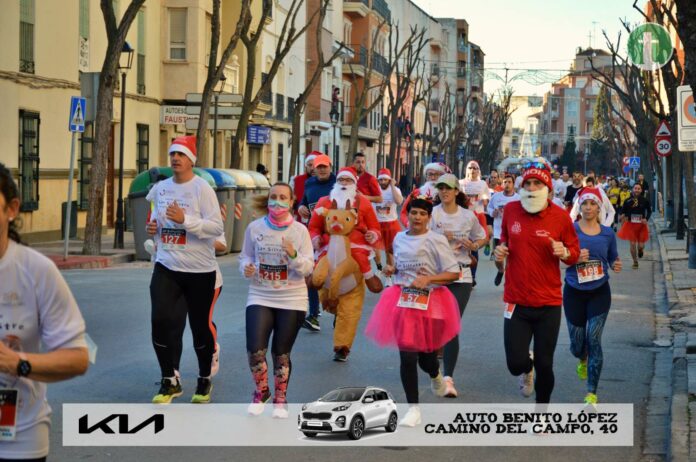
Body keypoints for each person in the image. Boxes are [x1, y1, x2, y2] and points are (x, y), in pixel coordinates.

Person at [0, 163, 89, 461]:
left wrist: (18, 363)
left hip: (18, 437)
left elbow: (78, 358)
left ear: (11, 209)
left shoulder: (36, 271)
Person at [365, 195, 460, 426]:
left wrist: (428, 279)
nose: (417, 217)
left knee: (426, 359)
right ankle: (413, 409)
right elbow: (400, 266)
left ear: (428, 218)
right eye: (413, 213)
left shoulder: (435, 240)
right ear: (406, 215)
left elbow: (454, 273)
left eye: (422, 214)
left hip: (432, 301)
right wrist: (392, 269)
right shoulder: (399, 238)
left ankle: (435, 374)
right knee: (407, 356)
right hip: (403, 300)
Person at [146, 135, 224, 404]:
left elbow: (216, 228)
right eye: (173, 154)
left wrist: (185, 220)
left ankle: (204, 378)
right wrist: (153, 228)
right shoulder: (160, 188)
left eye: (181, 154)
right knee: (160, 321)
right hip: (167, 265)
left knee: (199, 328)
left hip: (200, 270)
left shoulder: (202, 189)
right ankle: (169, 380)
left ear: (191, 160)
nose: (175, 158)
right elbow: (155, 220)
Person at [494, 160, 580, 403]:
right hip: (516, 301)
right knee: (514, 363)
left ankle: (541, 413)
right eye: (527, 184)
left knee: (545, 363)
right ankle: (526, 367)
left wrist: (564, 252)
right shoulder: (511, 210)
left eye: (537, 184)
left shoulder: (560, 217)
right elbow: (504, 242)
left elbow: (574, 254)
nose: (531, 188)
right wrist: (499, 254)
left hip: (548, 303)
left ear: (548, 189)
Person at [240, 183, 313, 418]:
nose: (277, 201)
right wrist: (246, 267)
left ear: (291, 202)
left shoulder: (300, 231)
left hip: (292, 298)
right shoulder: (254, 228)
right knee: (255, 349)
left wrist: (293, 255)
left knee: (281, 352)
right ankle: (261, 392)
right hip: (260, 294)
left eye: (283, 197)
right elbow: (245, 257)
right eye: (273, 196)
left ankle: (280, 399)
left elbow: (308, 267)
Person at [308, 167, 383, 361]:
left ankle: (342, 346)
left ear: (354, 184)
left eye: (348, 181)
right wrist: (315, 238)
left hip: (355, 251)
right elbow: (313, 226)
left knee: (349, 309)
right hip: (328, 249)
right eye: (341, 180)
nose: (343, 184)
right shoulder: (324, 202)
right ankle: (327, 301)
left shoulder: (363, 203)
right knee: (320, 280)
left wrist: (372, 234)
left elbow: (375, 227)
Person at [563, 188, 622, 405]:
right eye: (585, 204)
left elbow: (613, 258)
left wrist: (616, 264)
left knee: (594, 339)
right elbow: (561, 259)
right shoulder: (570, 230)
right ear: (579, 207)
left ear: (599, 208)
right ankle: (582, 357)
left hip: (599, 292)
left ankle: (591, 393)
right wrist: (575, 259)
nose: (588, 208)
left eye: (592, 204)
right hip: (574, 292)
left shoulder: (607, 233)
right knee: (577, 344)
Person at [431, 174, 487, 397]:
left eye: (448, 188)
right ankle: (433, 369)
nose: (444, 191)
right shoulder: (432, 214)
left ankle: (448, 378)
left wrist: (473, 245)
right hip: (437, 274)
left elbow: (482, 237)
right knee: (434, 325)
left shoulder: (467, 216)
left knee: (451, 323)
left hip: (461, 275)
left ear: (456, 191)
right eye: (441, 188)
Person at [298, 154, 335, 331]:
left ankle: (339, 311)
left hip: (334, 237)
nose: (321, 170)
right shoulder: (309, 183)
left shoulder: (338, 183)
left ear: (330, 167)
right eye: (318, 167)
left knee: (335, 277)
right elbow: (304, 201)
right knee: (310, 275)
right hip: (313, 236)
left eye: (324, 167)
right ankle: (313, 314)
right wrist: (301, 207)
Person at [458, 161, 490, 281]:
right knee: (463, 246)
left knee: (475, 245)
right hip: (463, 217)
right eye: (470, 168)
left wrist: (484, 200)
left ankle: (472, 276)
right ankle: (462, 274)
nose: (473, 170)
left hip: (478, 216)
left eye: (475, 168)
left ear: (478, 170)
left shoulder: (482, 184)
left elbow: (486, 200)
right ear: (467, 170)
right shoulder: (461, 183)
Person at [487, 174, 520, 286]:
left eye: (509, 182)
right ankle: (501, 270)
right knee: (498, 258)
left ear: (513, 184)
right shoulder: (496, 197)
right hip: (498, 232)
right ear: (502, 184)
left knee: (511, 259)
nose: (507, 184)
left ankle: (509, 280)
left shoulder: (518, 198)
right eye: (505, 182)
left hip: (514, 232)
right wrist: (493, 212)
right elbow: (489, 207)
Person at [372, 168, 403, 278]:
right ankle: (379, 268)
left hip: (390, 223)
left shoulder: (395, 190)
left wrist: (393, 186)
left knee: (389, 251)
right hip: (376, 223)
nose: (383, 182)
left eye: (385, 180)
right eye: (381, 180)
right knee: (374, 249)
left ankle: (389, 276)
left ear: (389, 180)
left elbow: (399, 201)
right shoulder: (374, 189)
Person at [399, 162, 448, 227]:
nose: (433, 178)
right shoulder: (416, 193)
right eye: (430, 174)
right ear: (426, 176)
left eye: (437, 174)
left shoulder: (449, 194)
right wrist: (408, 224)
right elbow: (404, 213)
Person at [617, 183, 651, 269]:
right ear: (633, 189)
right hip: (630, 225)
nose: (637, 190)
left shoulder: (645, 200)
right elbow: (623, 211)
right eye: (635, 188)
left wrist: (646, 219)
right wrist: (621, 216)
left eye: (638, 189)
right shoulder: (627, 201)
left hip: (641, 225)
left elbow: (649, 211)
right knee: (632, 244)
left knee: (640, 246)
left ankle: (640, 250)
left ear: (641, 190)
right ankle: (635, 261)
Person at [289, 152, 317, 220]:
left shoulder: (328, 182)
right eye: (310, 165)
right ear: (306, 166)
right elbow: (289, 202)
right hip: (299, 220)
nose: (312, 168)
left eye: (315, 165)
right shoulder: (296, 180)